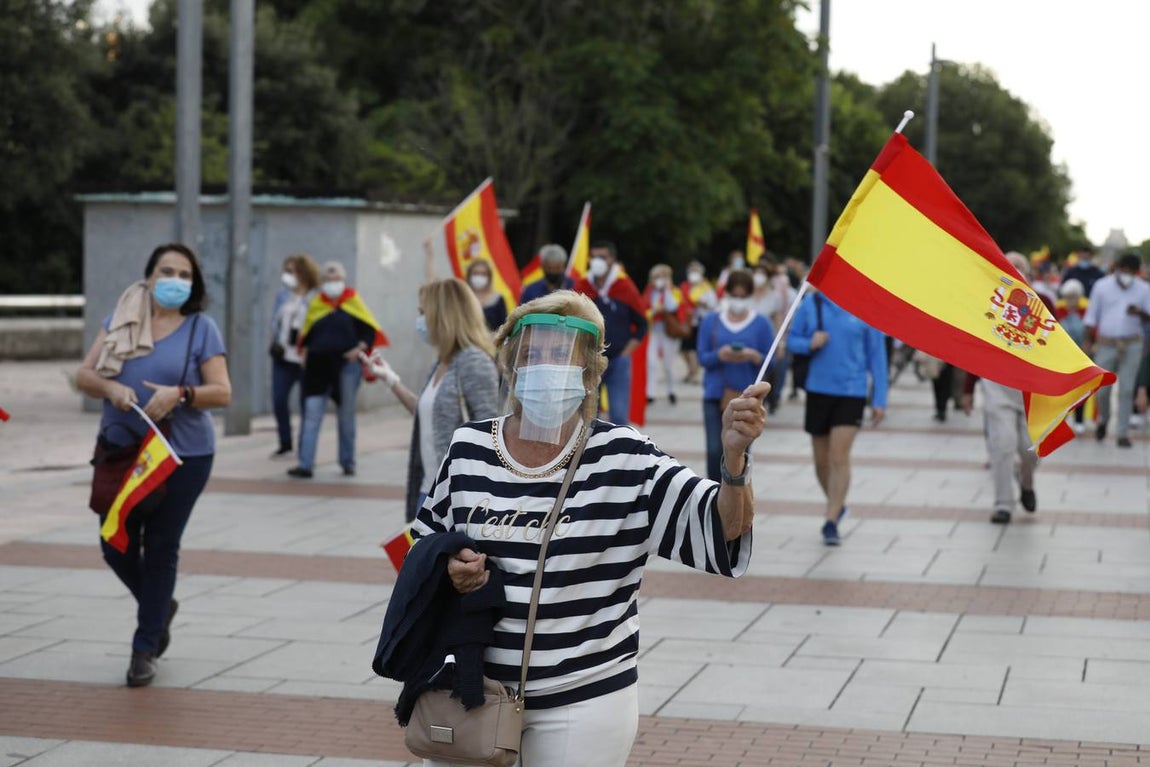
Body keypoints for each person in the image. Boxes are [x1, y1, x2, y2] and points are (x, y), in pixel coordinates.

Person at [384, 289, 769, 767]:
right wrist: (447, 569)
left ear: (589, 370)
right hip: (469, 691)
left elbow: (721, 530)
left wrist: (733, 460)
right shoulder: (469, 447)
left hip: (583, 698)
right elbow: (423, 546)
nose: (546, 365)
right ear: (512, 365)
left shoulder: (626, 456)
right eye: (533, 352)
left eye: (561, 353)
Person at [76, 242, 232, 687]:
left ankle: (144, 649)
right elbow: (85, 375)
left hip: (182, 455)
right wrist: (110, 391)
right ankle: (159, 606)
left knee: (161, 548)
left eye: (185, 275)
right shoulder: (122, 319)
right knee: (115, 541)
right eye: (167, 271)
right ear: (148, 276)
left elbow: (222, 392)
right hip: (122, 451)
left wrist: (180, 394)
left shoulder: (202, 328)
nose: (175, 281)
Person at [363, 278, 501, 522]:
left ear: (443, 314)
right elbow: (428, 415)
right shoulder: (443, 361)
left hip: (456, 497)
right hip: (428, 490)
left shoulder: (473, 361)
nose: (419, 319)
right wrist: (390, 379)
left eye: (422, 312)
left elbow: (488, 431)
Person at [788, 287, 888, 546]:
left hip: (851, 391)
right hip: (817, 389)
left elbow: (877, 355)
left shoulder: (866, 304)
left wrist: (879, 399)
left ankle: (831, 521)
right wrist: (809, 343)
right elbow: (791, 340)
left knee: (838, 456)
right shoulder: (812, 302)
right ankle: (837, 503)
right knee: (821, 462)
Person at [959, 252, 1046, 523]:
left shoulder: (1044, 304)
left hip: (1031, 389)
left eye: (1019, 266)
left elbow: (1058, 350)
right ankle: (1003, 504)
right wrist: (968, 389)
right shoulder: (988, 304)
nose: (1014, 270)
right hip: (997, 385)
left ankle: (1027, 481)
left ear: (1029, 272)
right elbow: (976, 349)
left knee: (1030, 450)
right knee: (1003, 445)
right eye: (1009, 265)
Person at [288, 261, 386, 478]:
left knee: (346, 415)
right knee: (312, 414)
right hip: (317, 369)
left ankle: (347, 461)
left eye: (337, 279)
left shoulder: (353, 302)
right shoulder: (316, 304)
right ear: (322, 282)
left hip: (346, 366)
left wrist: (358, 348)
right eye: (329, 279)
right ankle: (305, 464)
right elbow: (306, 335)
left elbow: (369, 332)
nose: (333, 284)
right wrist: (304, 353)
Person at [697, 269, 774, 482]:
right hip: (716, 394)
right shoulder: (711, 321)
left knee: (741, 449)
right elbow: (702, 358)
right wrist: (720, 355)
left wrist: (754, 356)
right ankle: (713, 491)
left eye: (743, 296)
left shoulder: (761, 323)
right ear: (727, 293)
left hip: (746, 397)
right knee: (714, 449)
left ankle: (738, 491)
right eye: (735, 295)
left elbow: (771, 360)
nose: (738, 300)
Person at [573, 241, 647, 425]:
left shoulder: (625, 287)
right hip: (588, 360)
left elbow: (642, 325)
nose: (597, 261)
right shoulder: (583, 286)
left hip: (618, 361)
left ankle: (618, 451)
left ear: (612, 260)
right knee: (587, 418)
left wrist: (626, 353)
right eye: (594, 257)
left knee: (619, 417)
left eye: (602, 257)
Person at [1083, 252, 1150, 448]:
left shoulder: (1144, 289)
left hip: (1132, 343)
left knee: (1127, 389)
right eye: (1124, 270)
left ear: (1137, 272)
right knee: (1102, 390)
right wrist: (1087, 342)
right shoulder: (1102, 286)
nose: (1127, 274)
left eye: (1132, 271)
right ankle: (1104, 419)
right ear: (1117, 268)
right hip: (1106, 343)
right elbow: (1090, 318)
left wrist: (1140, 313)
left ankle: (1122, 433)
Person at [268, 253, 319, 457]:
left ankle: (304, 447)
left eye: (293, 271)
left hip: (306, 358)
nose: (288, 275)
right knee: (279, 399)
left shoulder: (316, 296)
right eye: (286, 270)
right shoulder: (283, 295)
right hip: (283, 356)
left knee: (306, 404)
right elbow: (275, 321)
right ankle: (285, 442)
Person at [643, 263, 686, 406]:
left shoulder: (674, 291)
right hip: (653, 329)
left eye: (663, 276)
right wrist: (653, 311)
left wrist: (666, 289)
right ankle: (650, 393)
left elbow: (673, 306)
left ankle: (671, 391)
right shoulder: (649, 291)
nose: (659, 279)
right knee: (651, 362)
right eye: (657, 277)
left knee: (668, 363)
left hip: (669, 330)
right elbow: (643, 310)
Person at [1056, 278, 1089, 434]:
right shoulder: (1057, 312)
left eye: (1074, 296)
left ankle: (1079, 420)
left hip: (1081, 358)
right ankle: (1062, 419)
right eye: (1068, 297)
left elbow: (1091, 333)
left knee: (1081, 390)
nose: (1071, 300)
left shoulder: (1085, 313)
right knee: (1062, 390)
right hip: (1062, 358)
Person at [679, 260, 718, 384]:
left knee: (696, 350)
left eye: (696, 271)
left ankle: (695, 373)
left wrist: (703, 303)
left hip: (701, 322)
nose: (693, 274)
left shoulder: (706, 288)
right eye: (691, 271)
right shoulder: (684, 287)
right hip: (687, 321)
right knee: (684, 349)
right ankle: (690, 370)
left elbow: (714, 305)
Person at [465, 258, 509, 333]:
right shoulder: (462, 298)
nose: (479, 277)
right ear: (469, 275)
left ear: (489, 277)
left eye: (483, 274)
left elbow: (504, 327)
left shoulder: (497, 299)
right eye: (476, 273)